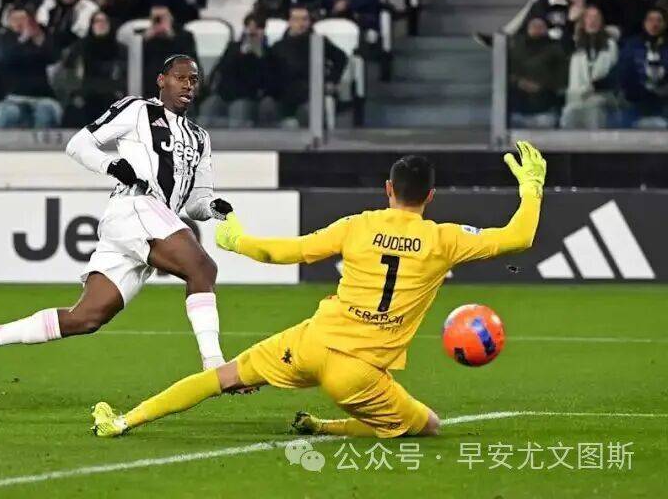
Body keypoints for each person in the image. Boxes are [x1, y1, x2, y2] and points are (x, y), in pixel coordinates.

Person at [91, 144, 546, 438]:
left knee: (223, 377)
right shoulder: (445, 240)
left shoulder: (357, 226)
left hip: (311, 342)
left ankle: (125, 420)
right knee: (428, 426)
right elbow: (519, 237)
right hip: (358, 373)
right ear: (430, 196)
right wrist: (532, 188)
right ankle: (324, 425)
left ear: (388, 189)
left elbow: (288, 252)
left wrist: (238, 240)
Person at [0, 55, 237, 384]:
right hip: (135, 207)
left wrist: (214, 207)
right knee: (202, 268)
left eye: (193, 80)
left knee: (86, 317)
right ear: (162, 80)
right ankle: (215, 365)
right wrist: (111, 165)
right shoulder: (138, 110)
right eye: (180, 77)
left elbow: (197, 201)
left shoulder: (200, 138)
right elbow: (78, 144)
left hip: (153, 221)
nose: (187, 85)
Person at [561, 5, 620, 128]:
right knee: (569, 116)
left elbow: (615, 70)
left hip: (600, 96)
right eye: (589, 17)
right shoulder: (575, 43)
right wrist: (570, 22)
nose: (593, 21)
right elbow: (564, 45)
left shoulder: (610, 44)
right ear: (583, 21)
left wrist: (598, 84)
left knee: (594, 112)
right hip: (576, 98)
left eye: (596, 17)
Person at [508, 17, 569, 128]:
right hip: (518, 107)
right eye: (534, 26)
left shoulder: (556, 49)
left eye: (540, 26)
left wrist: (542, 86)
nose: (537, 29)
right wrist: (520, 83)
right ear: (527, 28)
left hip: (546, 107)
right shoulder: (515, 48)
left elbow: (563, 77)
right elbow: (506, 73)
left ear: (546, 29)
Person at [617, 7, 668, 127]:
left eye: (659, 20)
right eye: (651, 20)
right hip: (637, 98)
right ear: (644, 23)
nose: (654, 24)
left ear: (665, 24)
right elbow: (625, 74)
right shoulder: (631, 45)